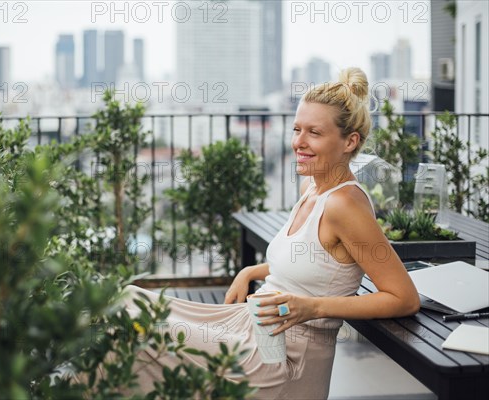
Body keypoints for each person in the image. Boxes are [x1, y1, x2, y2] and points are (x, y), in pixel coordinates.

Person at [121, 67, 420, 399]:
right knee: (128, 299)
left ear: (350, 141)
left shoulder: (345, 205)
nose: (298, 142)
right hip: (253, 327)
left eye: (314, 133)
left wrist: (314, 307)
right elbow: (313, 259)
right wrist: (251, 270)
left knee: (128, 331)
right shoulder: (312, 187)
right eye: (296, 129)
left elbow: (403, 297)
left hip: (282, 359)